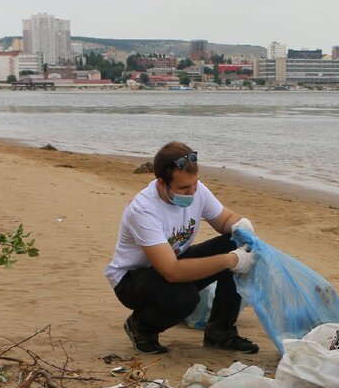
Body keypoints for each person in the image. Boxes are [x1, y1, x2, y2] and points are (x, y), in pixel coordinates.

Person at [105, 141, 259, 355]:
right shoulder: (143, 210)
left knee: (236, 242)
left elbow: (224, 220)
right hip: (133, 280)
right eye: (184, 188)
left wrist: (241, 225)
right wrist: (231, 260)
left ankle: (220, 332)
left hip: (173, 263)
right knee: (184, 297)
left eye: (194, 183)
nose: (192, 191)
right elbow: (171, 271)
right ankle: (141, 327)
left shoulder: (196, 189)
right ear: (161, 183)